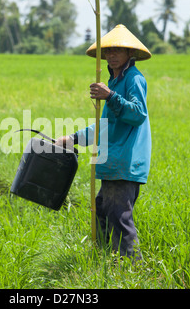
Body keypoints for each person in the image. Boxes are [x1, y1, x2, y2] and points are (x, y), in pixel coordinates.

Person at [55, 24, 152, 261]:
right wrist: (72, 139)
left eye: (118, 50)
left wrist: (110, 96)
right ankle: (104, 262)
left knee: (119, 218)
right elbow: (104, 128)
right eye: (108, 50)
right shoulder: (114, 82)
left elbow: (138, 114)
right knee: (101, 212)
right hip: (111, 160)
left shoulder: (133, 79)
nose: (112, 54)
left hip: (124, 162)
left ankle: (130, 269)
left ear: (130, 53)